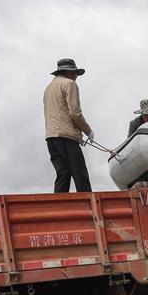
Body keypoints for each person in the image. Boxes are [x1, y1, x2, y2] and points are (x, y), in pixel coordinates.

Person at [43, 58, 94, 193]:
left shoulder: (48, 88)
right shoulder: (69, 84)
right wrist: (88, 130)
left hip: (51, 137)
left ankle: (58, 207)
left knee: (63, 174)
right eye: (75, 72)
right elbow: (75, 113)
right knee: (80, 173)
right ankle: (89, 205)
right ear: (68, 72)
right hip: (66, 136)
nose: (76, 76)